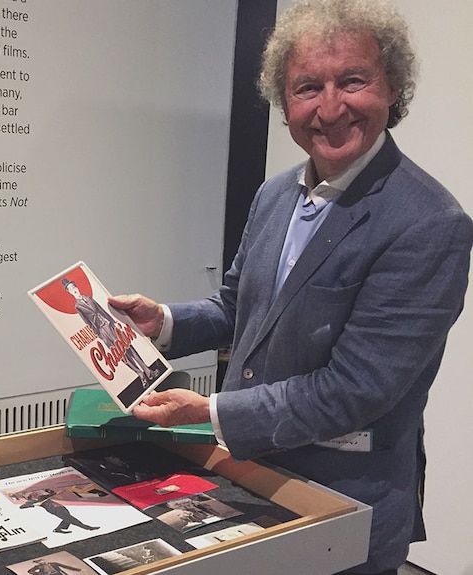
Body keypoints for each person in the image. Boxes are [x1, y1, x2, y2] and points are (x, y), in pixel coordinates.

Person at [108, 1, 473, 574]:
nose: (330, 108)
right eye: (308, 87)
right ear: (284, 102)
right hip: (252, 480)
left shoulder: (429, 223)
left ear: (392, 87)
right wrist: (166, 323)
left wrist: (212, 412)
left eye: (352, 80)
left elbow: (357, 389)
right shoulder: (275, 194)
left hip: (345, 504)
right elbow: (239, 307)